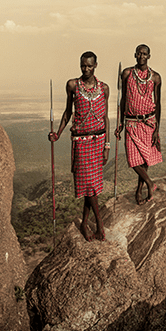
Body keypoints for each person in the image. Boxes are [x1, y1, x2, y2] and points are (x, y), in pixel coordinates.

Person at [49, 52, 110, 241]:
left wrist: (107, 145)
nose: (85, 69)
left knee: (90, 187)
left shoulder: (104, 88)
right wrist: (58, 134)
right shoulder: (73, 85)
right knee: (90, 185)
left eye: (89, 66)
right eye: (83, 65)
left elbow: (106, 118)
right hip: (81, 142)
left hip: (98, 141)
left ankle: (84, 223)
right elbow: (68, 112)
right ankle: (100, 225)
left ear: (96, 65)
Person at [115, 44, 162, 204]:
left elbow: (159, 104)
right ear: (135, 55)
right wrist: (120, 122)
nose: (141, 56)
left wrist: (157, 129)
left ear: (149, 56)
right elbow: (123, 99)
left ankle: (139, 191)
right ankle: (150, 183)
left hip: (149, 122)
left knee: (144, 160)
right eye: (139, 53)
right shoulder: (127, 73)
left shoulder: (155, 77)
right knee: (132, 159)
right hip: (131, 122)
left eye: (144, 54)